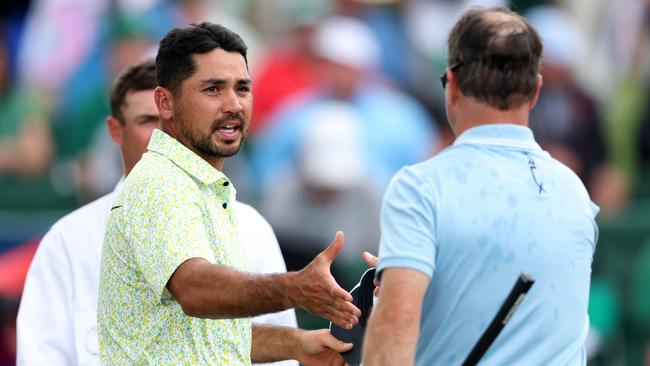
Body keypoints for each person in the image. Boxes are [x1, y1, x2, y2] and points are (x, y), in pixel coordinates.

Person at [98, 23, 359, 365]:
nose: (234, 104)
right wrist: (297, 288)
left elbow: (209, 336)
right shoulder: (159, 182)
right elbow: (196, 291)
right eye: (213, 89)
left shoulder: (200, 186)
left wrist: (296, 344)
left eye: (243, 88)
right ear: (165, 102)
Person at [16, 59, 298, 366]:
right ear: (116, 131)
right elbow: (41, 356)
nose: (163, 134)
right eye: (148, 120)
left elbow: (281, 357)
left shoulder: (251, 229)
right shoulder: (68, 240)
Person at [362, 6, 599, 365]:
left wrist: (404, 283)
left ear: (452, 84)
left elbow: (393, 337)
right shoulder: (576, 193)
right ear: (535, 91)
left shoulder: (420, 188)